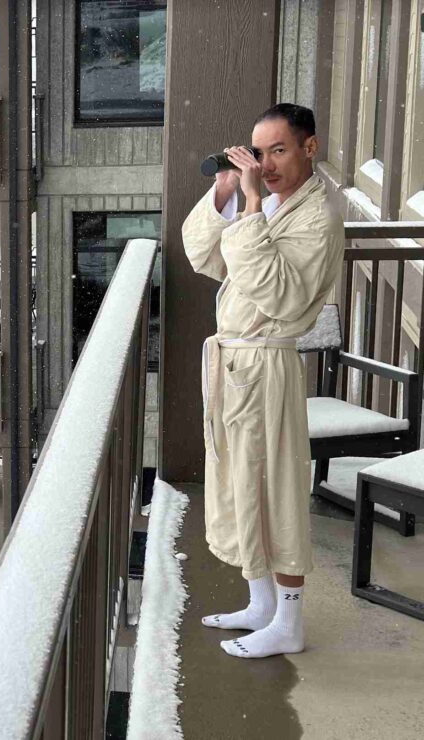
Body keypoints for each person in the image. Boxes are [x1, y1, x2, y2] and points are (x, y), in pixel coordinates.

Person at [181, 103, 345, 658]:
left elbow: (281, 295)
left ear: (310, 147)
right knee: (239, 483)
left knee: (273, 489)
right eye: (260, 151)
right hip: (236, 365)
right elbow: (206, 256)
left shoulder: (316, 216)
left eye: (279, 150)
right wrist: (228, 194)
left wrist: (252, 206)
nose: (267, 163)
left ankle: (290, 624)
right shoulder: (274, 203)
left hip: (266, 369)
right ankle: (261, 603)